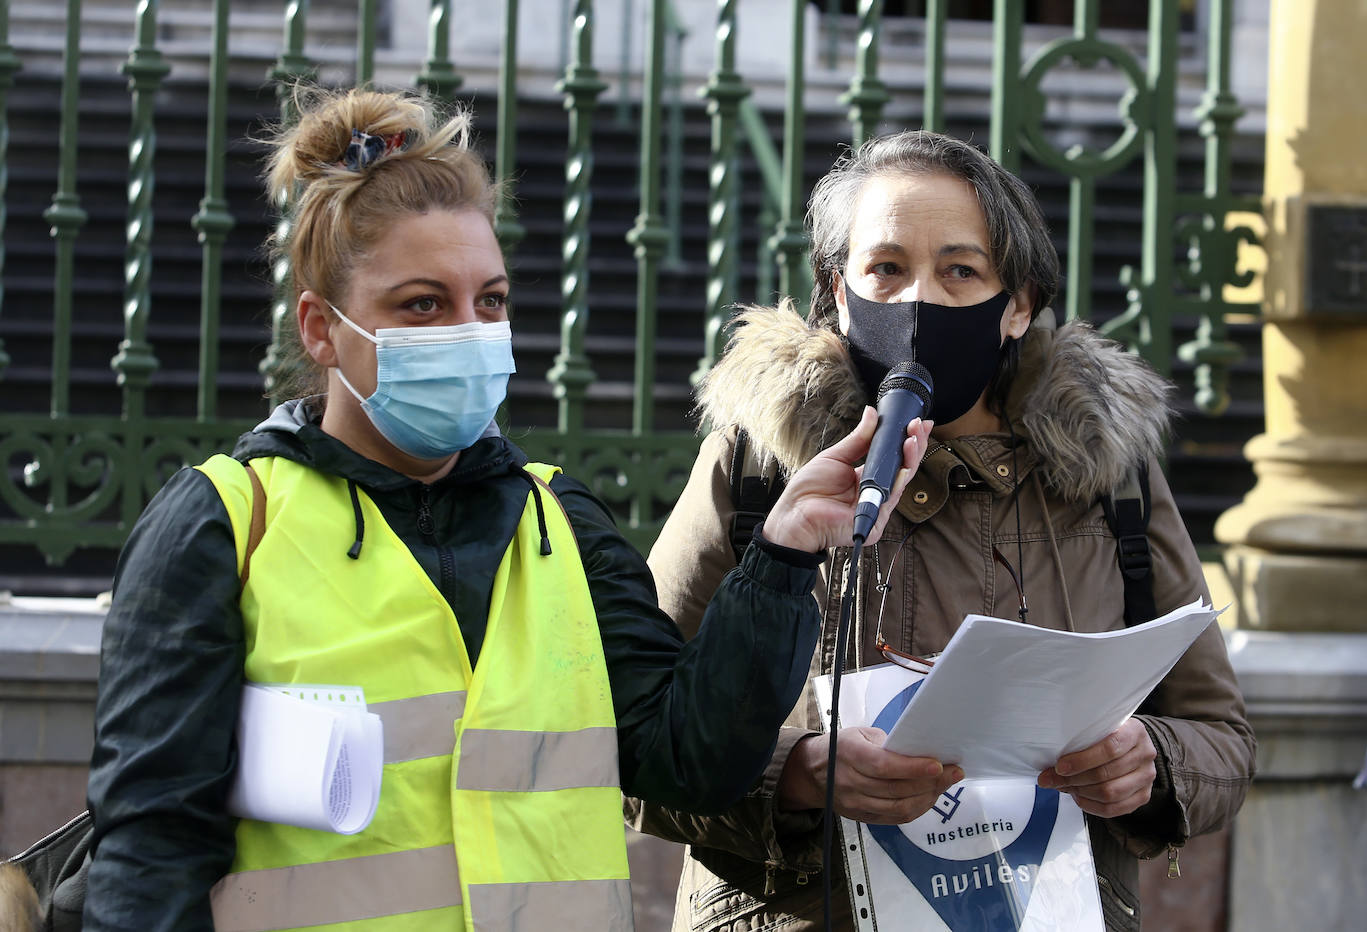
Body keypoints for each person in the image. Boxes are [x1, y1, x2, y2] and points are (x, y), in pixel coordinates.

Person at [74, 88, 932, 931]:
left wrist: (782, 554)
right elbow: (150, 856)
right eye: (422, 305)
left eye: (489, 301)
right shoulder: (222, 526)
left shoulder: (557, 521)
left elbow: (686, 760)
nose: (469, 330)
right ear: (319, 328)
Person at [626, 130, 1257, 932]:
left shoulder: (1109, 479)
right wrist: (795, 775)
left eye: (960, 271)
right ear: (838, 289)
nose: (918, 302)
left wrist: (1151, 763)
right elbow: (632, 743)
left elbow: (1223, 741)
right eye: (887, 269)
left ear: (1018, 303)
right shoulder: (756, 471)